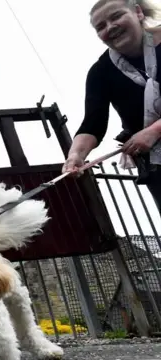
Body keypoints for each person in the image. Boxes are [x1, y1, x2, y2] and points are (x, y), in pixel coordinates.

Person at [63, 0, 161, 209]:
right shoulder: (100, 72)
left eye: (116, 16)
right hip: (157, 164)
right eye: (101, 27)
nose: (110, 27)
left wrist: (154, 130)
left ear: (137, 12)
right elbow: (93, 124)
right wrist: (76, 156)